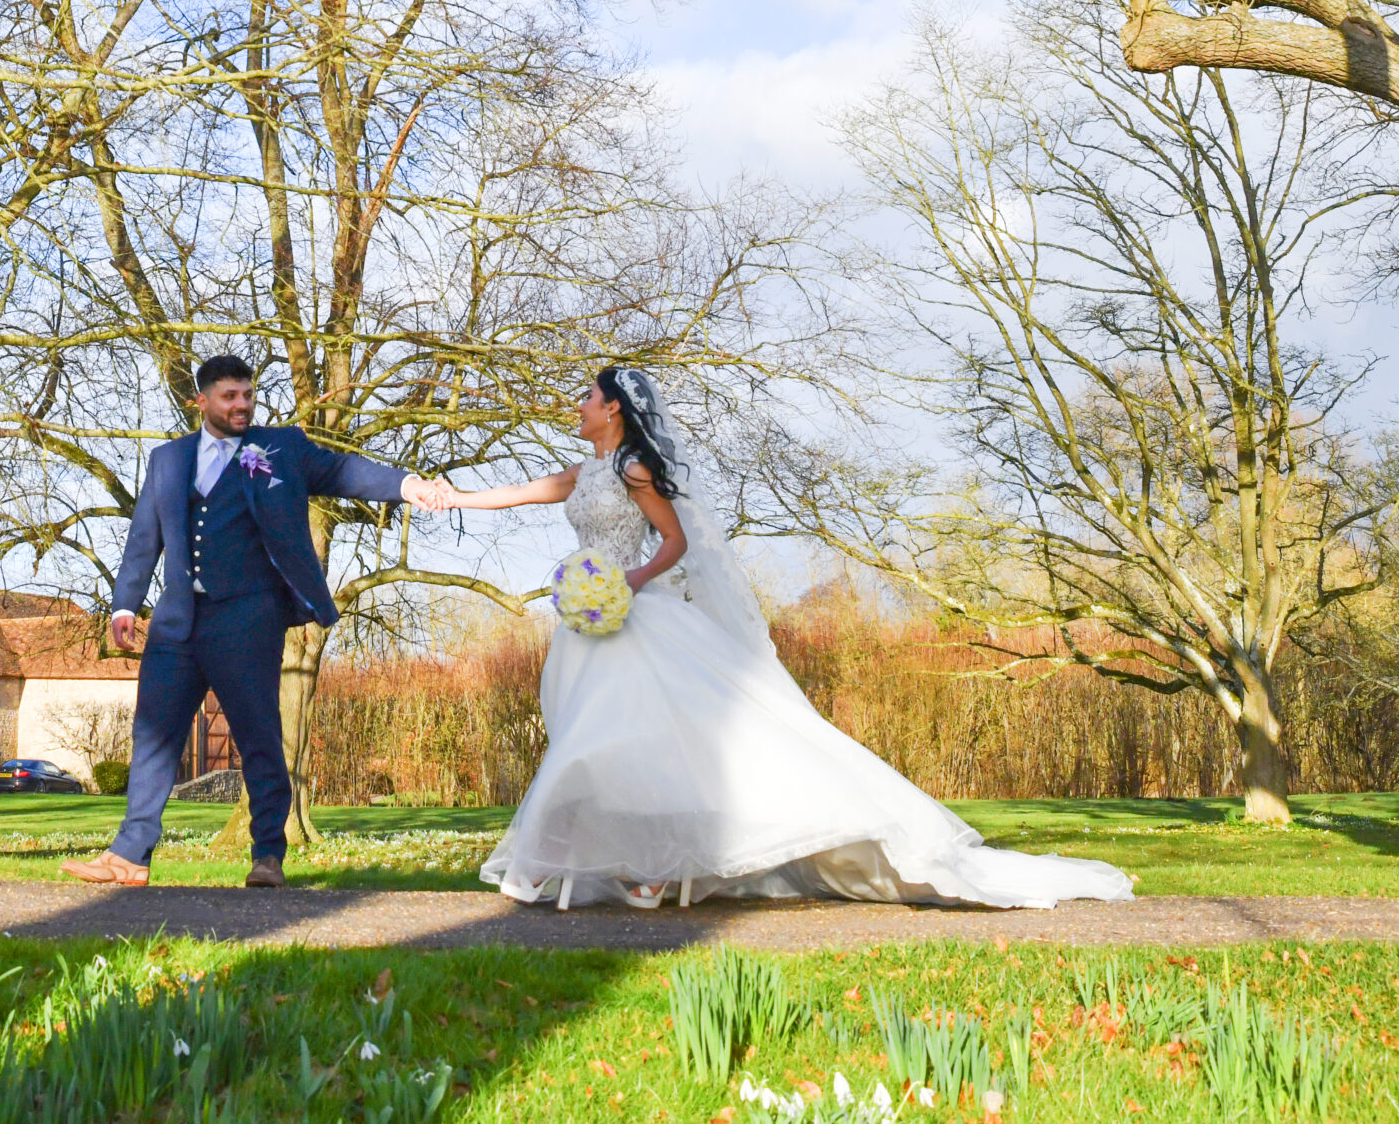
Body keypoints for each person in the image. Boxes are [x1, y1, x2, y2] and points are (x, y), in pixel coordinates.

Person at [446, 366, 1135, 910]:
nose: (578, 405)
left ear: (614, 408)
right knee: (609, 745)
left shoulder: (633, 470)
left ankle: (548, 868)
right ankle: (644, 872)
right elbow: (516, 492)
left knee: (608, 743)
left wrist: (627, 579)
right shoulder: (586, 473)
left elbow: (677, 541)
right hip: (588, 628)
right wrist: (447, 497)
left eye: (586, 397)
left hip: (636, 619)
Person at [62, 355, 453, 888]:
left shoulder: (279, 449)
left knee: (260, 736)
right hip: (177, 620)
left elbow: (342, 472)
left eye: (247, 395)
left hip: (248, 616)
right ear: (200, 402)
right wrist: (125, 603)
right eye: (230, 397)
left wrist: (407, 486)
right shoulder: (168, 460)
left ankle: (268, 855)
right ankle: (131, 856)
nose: (242, 405)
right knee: (152, 736)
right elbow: (143, 537)